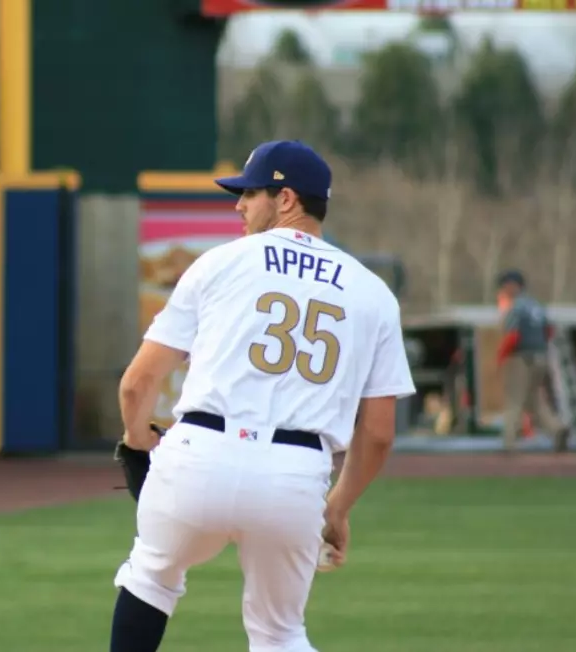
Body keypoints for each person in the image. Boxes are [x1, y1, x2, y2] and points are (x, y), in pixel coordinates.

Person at [108, 140, 416, 652]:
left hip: (200, 455)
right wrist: (337, 508)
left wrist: (139, 441)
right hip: (293, 476)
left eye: (250, 193)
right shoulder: (373, 293)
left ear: (287, 198)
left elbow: (136, 383)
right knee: (280, 634)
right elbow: (379, 433)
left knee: (150, 579)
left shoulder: (219, 264)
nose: (239, 204)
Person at [495, 270, 570, 453]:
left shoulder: (516, 307)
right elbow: (549, 331)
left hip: (522, 356)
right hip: (541, 356)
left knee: (514, 398)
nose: (504, 289)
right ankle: (557, 428)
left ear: (514, 285)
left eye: (506, 285)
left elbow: (513, 335)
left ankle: (509, 442)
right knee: (533, 398)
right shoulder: (537, 306)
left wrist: (500, 358)